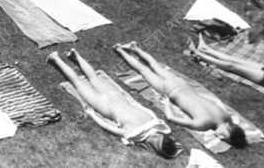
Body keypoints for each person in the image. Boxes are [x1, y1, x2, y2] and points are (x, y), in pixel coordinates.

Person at [48, 49, 179, 158]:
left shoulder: (155, 122)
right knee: (77, 82)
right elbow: (108, 127)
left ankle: (75, 54)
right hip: (105, 107)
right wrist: (92, 114)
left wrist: (128, 98)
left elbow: (141, 107)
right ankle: (56, 58)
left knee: (93, 76)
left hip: (116, 97)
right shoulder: (135, 135)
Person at [114, 43, 247, 148]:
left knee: (155, 65)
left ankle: (135, 47)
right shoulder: (202, 124)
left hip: (182, 84)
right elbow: (171, 117)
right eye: (225, 137)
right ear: (229, 130)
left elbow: (217, 108)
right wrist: (166, 104)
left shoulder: (226, 116)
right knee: (143, 70)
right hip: (170, 91)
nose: (220, 138)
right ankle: (120, 50)